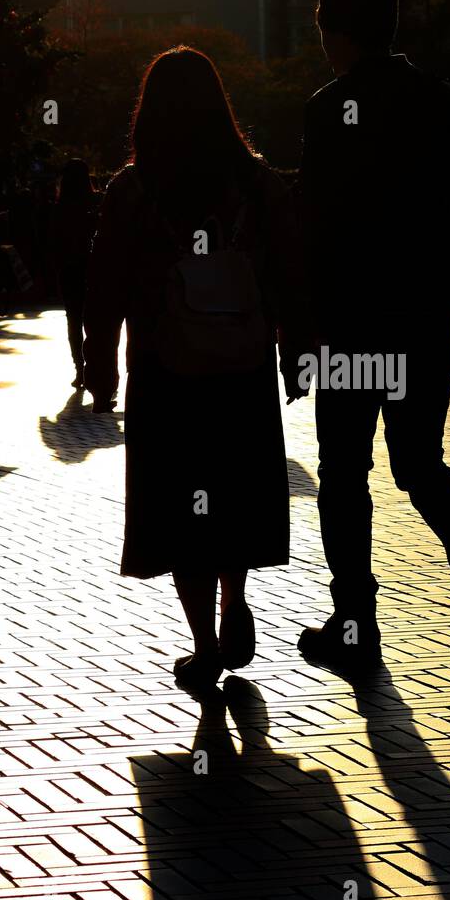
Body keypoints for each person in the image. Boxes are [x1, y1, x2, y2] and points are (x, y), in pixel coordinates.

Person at [297, 0, 450, 676]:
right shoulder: (441, 101)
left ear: (342, 34)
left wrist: (300, 323)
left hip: (352, 321)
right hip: (424, 317)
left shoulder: (330, 110)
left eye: (325, 33)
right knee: (422, 468)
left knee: (342, 473)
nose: (323, 47)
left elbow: (316, 223)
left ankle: (356, 621)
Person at [83, 46, 307, 691]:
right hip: (240, 364)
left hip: (164, 367)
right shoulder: (258, 183)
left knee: (182, 503)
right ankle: (236, 599)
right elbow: (292, 269)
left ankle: (204, 642)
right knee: (234, 490)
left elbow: (105, 280)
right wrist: (296, 348)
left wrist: (100, 360)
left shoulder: (134, 187)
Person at [54, 158, 96, 389]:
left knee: (74, 320)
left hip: (69, 269)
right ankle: (95, 367)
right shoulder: (95, 203)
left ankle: (79, 368)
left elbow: (53, 242)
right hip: (93, 267)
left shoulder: (60, 208)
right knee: (94, 320)